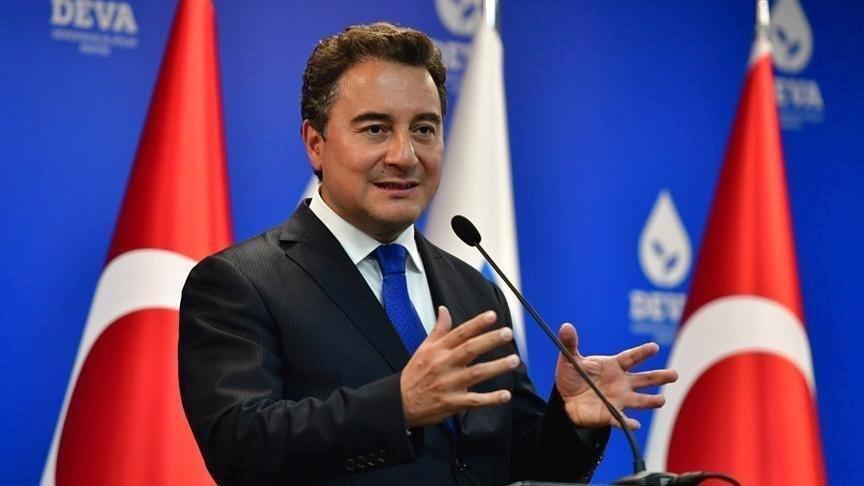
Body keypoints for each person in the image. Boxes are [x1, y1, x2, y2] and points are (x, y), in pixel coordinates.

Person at [179, 22, 677, 486]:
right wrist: (396, 406)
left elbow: (511, 465)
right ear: (315, 142)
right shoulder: (241, 282)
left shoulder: (475, 288)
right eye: (375, 129)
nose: (405, 156)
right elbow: (239, 446)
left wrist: (570, 418)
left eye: (423, 129)